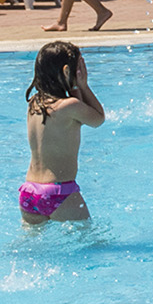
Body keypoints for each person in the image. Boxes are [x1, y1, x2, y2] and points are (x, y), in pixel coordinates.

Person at [20, 41, 103, 225]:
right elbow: (98, 119)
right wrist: (83, 85)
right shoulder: (69, 106)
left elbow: (79, 120)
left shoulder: (34, 103)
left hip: (29, 193)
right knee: (90, 244)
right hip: (59, 193)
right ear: (67, 71)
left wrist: (74, 88)